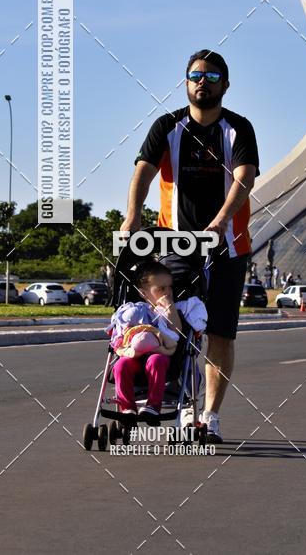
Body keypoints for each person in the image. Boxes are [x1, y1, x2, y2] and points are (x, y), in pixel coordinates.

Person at [120, 50, 259, 442]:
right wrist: (133, 216)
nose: (203, 81)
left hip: (227, 246)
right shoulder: (168, 126)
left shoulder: (238, 129)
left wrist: (219, 222)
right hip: (177, 244)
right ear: (186, 82)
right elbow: (143, 173)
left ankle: (210, 416)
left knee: (219, 333)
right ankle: (182, 405)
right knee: (172, 321)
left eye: (212, 77)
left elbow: (244, 178)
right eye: (195, 75)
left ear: (225, 85)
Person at [108, 262, 182, 425]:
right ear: (143, 293)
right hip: (133, 355)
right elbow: (122, 333)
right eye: (161, 289)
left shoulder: (168, 311)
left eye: (169, 287)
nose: (167, 292)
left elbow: (176, 333)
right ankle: (127, 409)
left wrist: (171, 310)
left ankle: (152, 407)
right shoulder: (134, 310)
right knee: (120, 366)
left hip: (159, 353)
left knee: (157, 360)